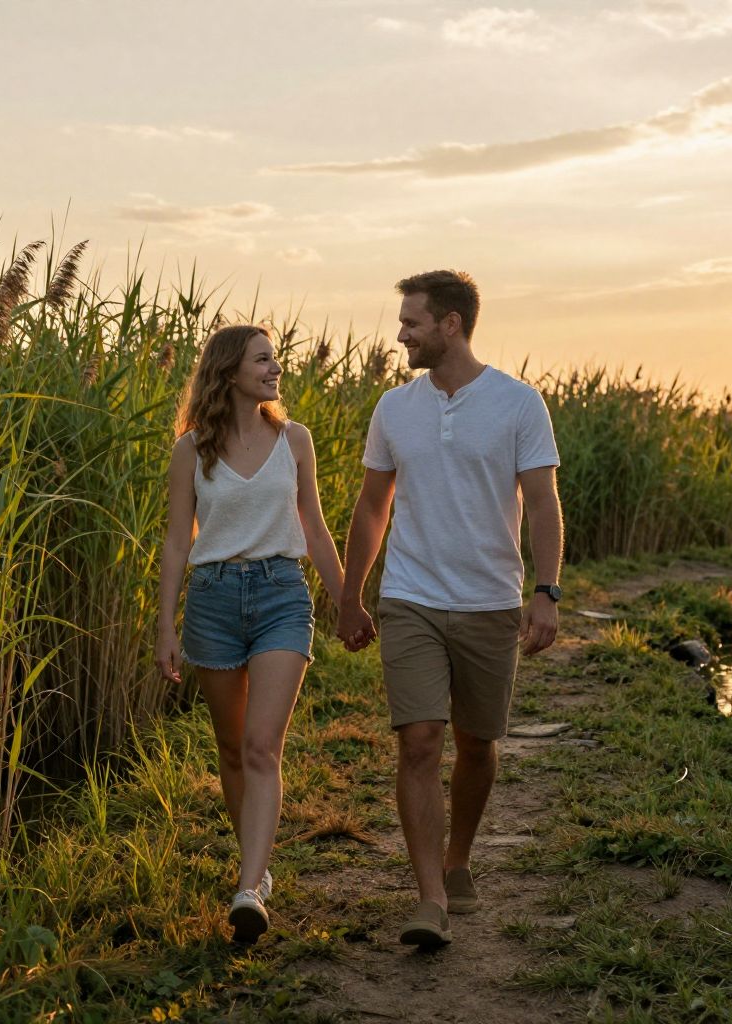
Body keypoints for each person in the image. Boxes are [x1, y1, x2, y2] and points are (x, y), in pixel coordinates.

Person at [336, 270, 563, 949]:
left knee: (477, 744)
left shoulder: (519, 404)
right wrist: (352, 594)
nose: (400, 334)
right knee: (420, 741)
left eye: (411, 322)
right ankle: (429, 896)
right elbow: (373, 505)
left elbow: (544, 503)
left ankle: (458, 856)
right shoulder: (393, 408)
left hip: (490, 600)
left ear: (451, 324)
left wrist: (546, 591)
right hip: (411, 597)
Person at [156, 323, 346, 944]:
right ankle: (255, 873)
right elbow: (176, 542)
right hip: (211, 602)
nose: (275, 369)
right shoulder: (192, 450)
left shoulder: (296, 440)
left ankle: (249, 885)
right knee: (233, 748)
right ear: (229, 370)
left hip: (279, 597)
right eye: (263, 360)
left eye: (275, 360)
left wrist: (347, 601)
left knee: (263, 745)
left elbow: (314, 529)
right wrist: (166, 626)